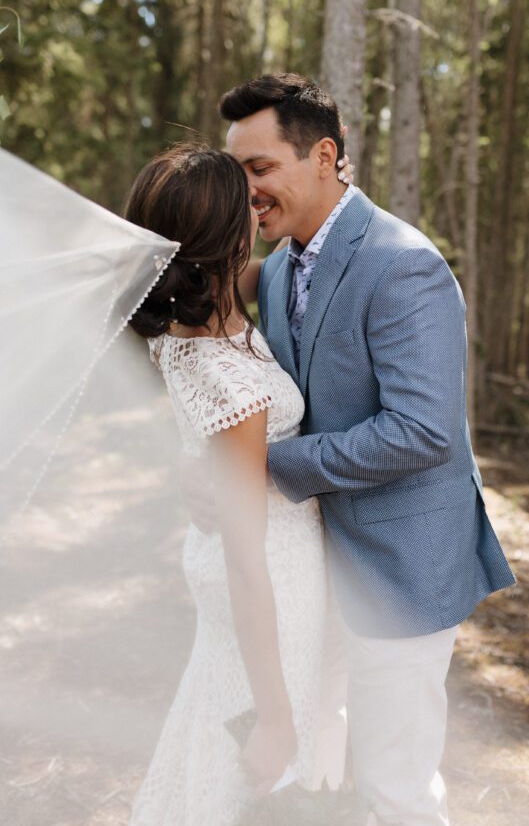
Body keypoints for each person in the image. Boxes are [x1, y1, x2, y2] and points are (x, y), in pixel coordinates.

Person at [182, 73, 516, 826]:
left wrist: (262, 468)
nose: (245, 192)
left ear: (324, 155)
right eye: (234, 174)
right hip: (316, 568)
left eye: (258, 170)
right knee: (319, 775)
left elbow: (422, 431)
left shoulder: (403, 265)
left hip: (400, 569)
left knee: (395, 787)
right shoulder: (280, 267)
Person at [122, 143, 352, 826]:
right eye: (248, 205)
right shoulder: (232, 382)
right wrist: (276, 717)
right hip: (264, 587)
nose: (260, 212)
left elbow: (265, 275)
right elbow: (246, 564)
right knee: (250, 760)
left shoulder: (193, 318)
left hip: (237, 576)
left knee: (210, 731)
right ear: (229, 235)